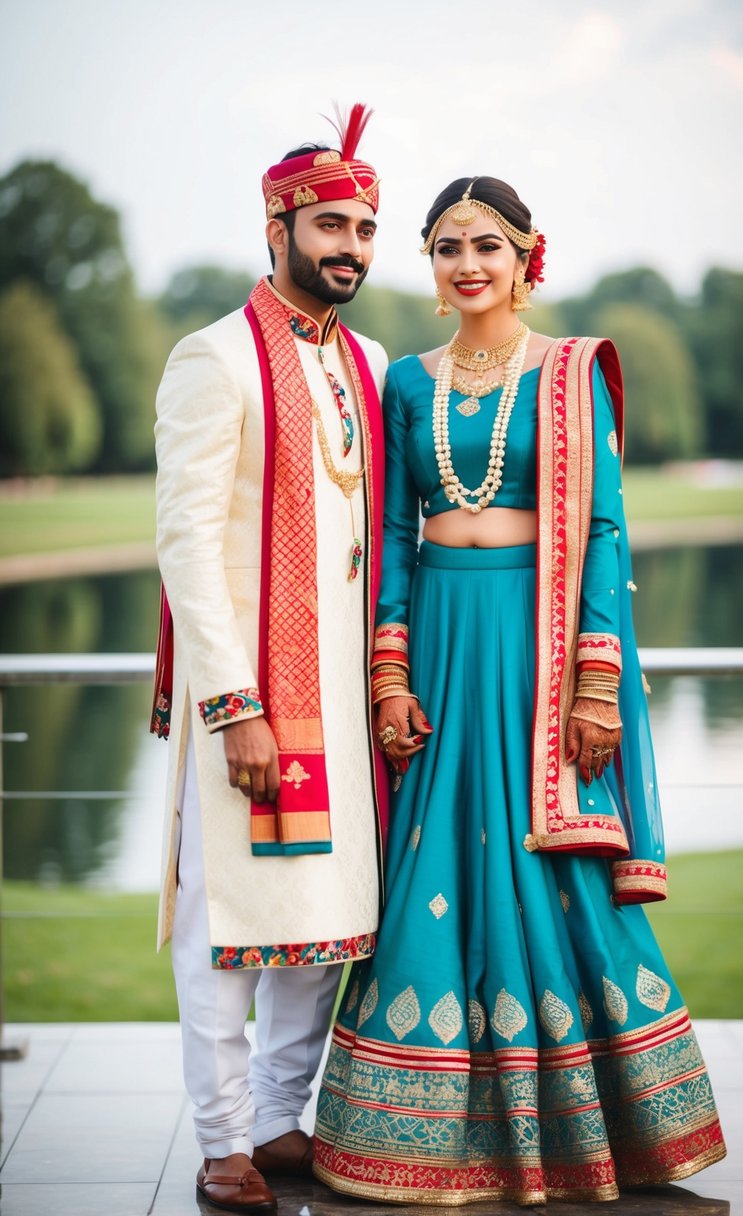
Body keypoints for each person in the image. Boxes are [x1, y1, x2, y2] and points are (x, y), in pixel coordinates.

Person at [313, 177, 726, 1205]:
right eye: (447, 246)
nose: (467, 264)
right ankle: (419, 1142)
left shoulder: (569, 372)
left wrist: (596, 682)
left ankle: (599, 1132)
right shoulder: (405, 382)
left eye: (487, 246)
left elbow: (602, 527)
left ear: (526, 257)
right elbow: (399, 535)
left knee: (553, 868)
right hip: (443, 637)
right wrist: (389, 674)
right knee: (432, 861)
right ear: (431, 263)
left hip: (537, 648)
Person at [150, 105, 389, 1214]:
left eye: (366, 228)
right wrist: (233, 705)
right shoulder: (213, 357)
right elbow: (185, 543)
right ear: (278, 225)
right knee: (226, 928)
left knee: (318, 924)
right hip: (249, 705)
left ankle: (283, 1122)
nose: (351, 246)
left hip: (343, 701)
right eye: (332, 223)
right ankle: (220, 1140)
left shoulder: (370, 363)